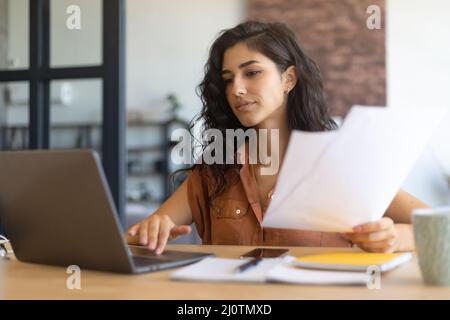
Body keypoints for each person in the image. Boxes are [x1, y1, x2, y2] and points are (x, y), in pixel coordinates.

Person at [126, 21, 429, 254]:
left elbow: (439, 226)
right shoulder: (214, 170)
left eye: (252, 73)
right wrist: (151, 230)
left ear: (289, 78)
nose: (237, 89)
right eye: (228, 79)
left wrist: (396, 237)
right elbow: (138, 237)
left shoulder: (340, 163)